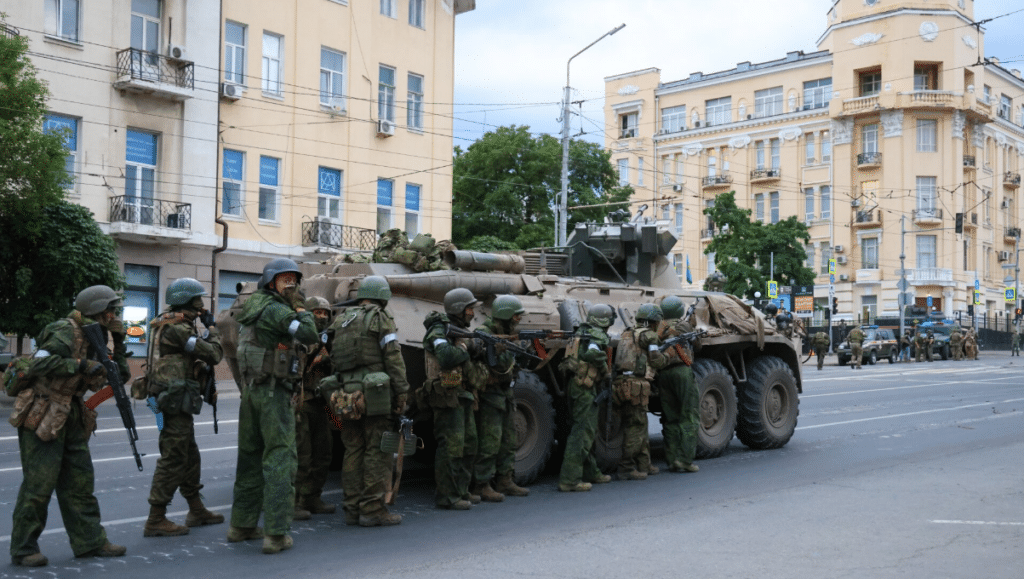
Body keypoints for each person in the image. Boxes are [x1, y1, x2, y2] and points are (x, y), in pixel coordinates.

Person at [9, 285, 127, 567]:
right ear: (98, 311)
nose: (114, 315)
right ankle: (24, 548)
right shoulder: (63, 330)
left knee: (80, 481)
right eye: (111, 310)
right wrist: (80, 365)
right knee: (39, 484)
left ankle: (90, 542)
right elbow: (40, 364)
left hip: (72, 412)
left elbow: (119, 376)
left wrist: (120, 342)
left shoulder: (96, 335)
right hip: (44, 410)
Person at [229, 258, 319, 554]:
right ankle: (276, 535)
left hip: (252, 392)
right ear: (271, 282)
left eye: (294, 279)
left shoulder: (251, 306)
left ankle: (241, 526)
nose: (291, 284)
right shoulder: (278, 310)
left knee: (250, 459)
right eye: (285, 279)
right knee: (281, 458)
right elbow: (309, 335)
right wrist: (301, 307)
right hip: (273, 394)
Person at [143, 278, 224, 538]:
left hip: (174, 400)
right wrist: (212, 329)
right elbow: (213, 354)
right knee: (174, 457)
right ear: (189, 302)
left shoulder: (164, 321)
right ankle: (156, 518)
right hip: (174, 402)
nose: (201, 306)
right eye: (198, 301)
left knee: (189, 454)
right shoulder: (178, 328)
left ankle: (196, 508)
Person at [329, 276, 410, 526]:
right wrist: (402, 391)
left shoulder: (342, 320)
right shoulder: (379, 318)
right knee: (377, 450)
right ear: (382, 297)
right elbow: (393, 357)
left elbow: (334, 358)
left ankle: (352, 509)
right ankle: (372, 509)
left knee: (353, 450)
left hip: (346, 395)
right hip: (374, 394)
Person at [423, 288, 482, 510]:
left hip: (462, 393)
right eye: (469, 309)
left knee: (469, 445)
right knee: (451, 447)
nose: (472, 314)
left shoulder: (457, 331)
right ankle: (448, 495)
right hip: (446, 396)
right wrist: (466, 346)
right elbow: (446, 357)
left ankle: (462, 490)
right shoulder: (438, 331)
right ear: (458, 309)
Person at [471, 295, 531, 502]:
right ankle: (481, 484)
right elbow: (492, 363)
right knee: (490, 441)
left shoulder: (507, 334)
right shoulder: (484, 334)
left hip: (505, 393)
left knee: (508, 439)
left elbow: (513, 365)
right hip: (490, 394)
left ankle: (505, 480)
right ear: (505, 315)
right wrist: (500, 352)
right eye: (515, 317)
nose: (518, 320)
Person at [557, 304, 615, 492]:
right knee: (582, 433)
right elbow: (592, 352)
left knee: (587, 432)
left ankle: (591, 471)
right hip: (584, 388)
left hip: (578, 386)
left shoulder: (582, 331)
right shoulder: (595, 335)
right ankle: (570, 480)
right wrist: (605, 371)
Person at [614, 303, 667, 480]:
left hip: (623, 383)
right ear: (653, 322)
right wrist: (667, 356)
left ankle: (644, 464)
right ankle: (626, 468)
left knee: (641, 425)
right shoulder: (649, 336)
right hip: (635, 385)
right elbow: (655, 359)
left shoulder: (627, 332)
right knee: (636, 427)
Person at [294, 296, 335, 517]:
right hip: (303, 403)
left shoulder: (329, 339)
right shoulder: (300, 337)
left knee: (323, 454)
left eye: (325, 313)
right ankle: (293, 502)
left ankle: (312, 497)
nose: (321, 317)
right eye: (317, 313)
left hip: (322, 403)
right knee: (302, 455)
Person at [657, 296, 701, 474]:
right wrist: (692, 323)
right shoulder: (683, 326)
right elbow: (697, 345)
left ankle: (672, 459)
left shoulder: (658, 327)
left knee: (670, 418)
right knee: (689, 416)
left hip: (663, 373)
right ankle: (684, 460)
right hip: (682, 371)